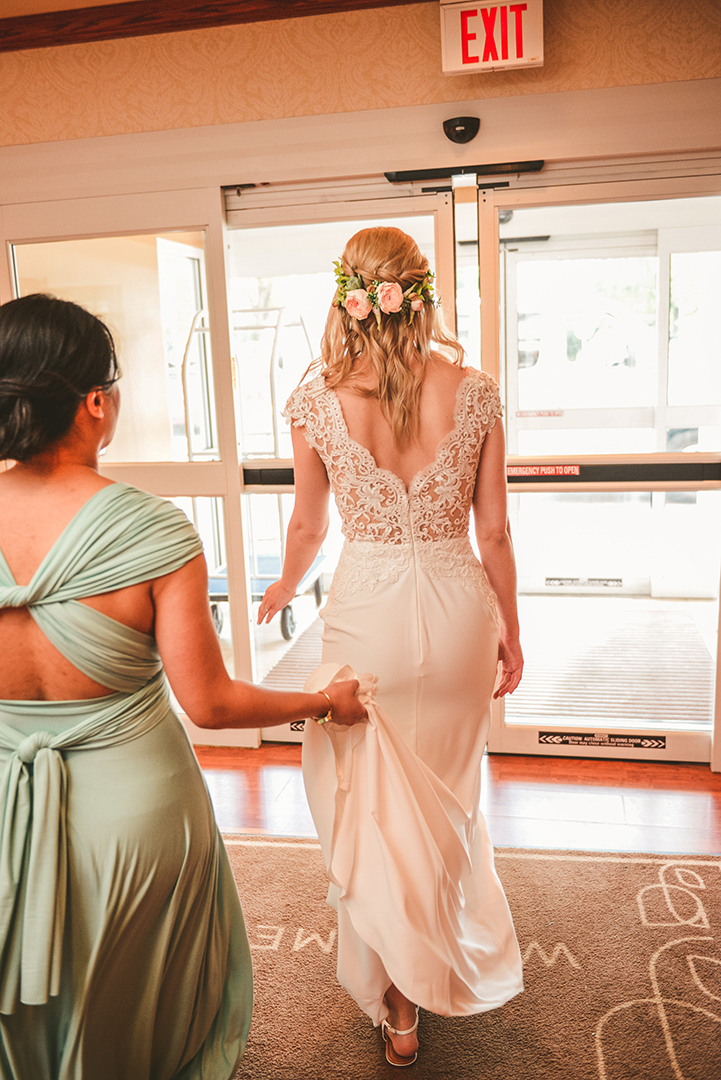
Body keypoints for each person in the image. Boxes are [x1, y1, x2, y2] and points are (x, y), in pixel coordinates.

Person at [0, 293, 366, 1080]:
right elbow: (212, 704)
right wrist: (321, 700)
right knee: (135, 991)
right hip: (131, 813)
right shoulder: (151, 530)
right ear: (96, 403)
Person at [259, 226, 524, 1066]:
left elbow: (306, 525)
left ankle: (400, 1008)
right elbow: (495, 531)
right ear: (422, 291)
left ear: (348, 294)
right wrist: (511, 629)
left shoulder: (315, 399)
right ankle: (425, 968)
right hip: (455, 610)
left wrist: (278, 585)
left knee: (369, 800)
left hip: (367, 607)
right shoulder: (474, 390)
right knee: (445, 799)